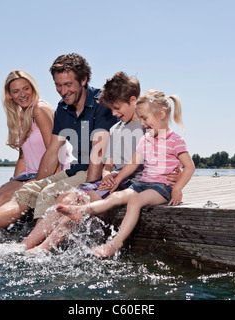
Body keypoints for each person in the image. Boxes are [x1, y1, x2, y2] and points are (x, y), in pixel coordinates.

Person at [0, 53, 118, 236]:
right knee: (14, 192)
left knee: (43, 192)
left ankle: (20, 239)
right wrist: (35, 185)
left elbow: (97, 151)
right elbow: (49, 152)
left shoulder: (100, 103)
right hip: (73, 170)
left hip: (98, 172)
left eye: (68, 85)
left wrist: (87, 190)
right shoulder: (62, 107)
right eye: (58, 85)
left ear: (84, 79)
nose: (63, 91)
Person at [22, 72, 180, 253]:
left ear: (133, 101)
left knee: (79, 202)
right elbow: (108, 165)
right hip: (116, 180)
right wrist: (107, 176)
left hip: (134, 183)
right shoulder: (115, 129)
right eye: (110, 109)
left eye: (117, 107)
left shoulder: (148, 127)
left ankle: (44, 248)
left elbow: (170, 157)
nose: (113, 113)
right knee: (66, 197)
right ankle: (29, 244)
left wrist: (175, 175)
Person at [56, 89, 196, 257]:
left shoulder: (176, 140)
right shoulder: (146, 139)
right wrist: (118, 179)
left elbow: (190, 167)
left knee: (135, 201)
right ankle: (82, 210)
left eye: (145, 119)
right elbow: (133, 163)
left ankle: (115, 244)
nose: (143, 124)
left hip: (162, 188)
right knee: (115, 197)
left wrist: (177, 189)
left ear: (161, 114)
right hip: (142, 183)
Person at [0, 70, 69, 221]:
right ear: (9, 94)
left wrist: (51, 186)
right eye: (16, 91)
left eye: (26, 88)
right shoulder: (19, 116)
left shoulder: (39, 109)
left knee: (6, 196)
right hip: (30, 175)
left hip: (50, 173)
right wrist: (12, 182)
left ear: (33, 88)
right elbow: (23, 158)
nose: (22, 94)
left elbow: (54, 151)